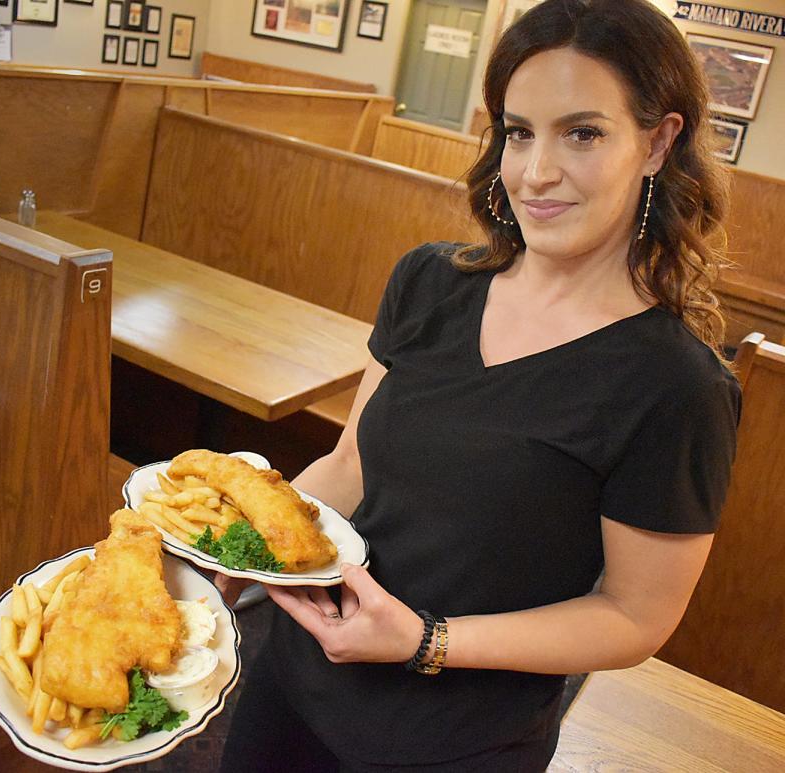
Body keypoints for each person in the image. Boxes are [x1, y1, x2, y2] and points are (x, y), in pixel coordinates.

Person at [218, 0, 742, 770]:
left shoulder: (678, 386)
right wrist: (239, 552)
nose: (536, 172)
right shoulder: (430, 282)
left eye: (583, 132)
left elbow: (633, 617)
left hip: (454, 742)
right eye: (519, 131)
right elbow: (349, 466)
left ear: (659, 142)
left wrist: (425, 640)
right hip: (295, 687)